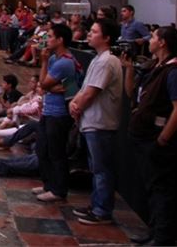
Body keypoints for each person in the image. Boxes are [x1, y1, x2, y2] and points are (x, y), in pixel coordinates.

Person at [122, 26, 177, 245]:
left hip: (158, 141)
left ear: (162, 43)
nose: (149, 40)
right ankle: (153, 230)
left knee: (162, 190)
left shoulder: (175, 71)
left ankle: (162, 237)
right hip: (144, 137)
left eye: (153, 37)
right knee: (151, 187)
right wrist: (129, 68)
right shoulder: (154, 67)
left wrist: (163, 138)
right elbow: (133, 93)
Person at [67, 17, 123, 225]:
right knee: (96, 168)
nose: (89, 34)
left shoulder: (108, 61)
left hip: (100, 122)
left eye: (94, 31)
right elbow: (84, 88)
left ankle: (102, 210)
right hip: (92, 121)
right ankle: (96, 203)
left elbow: (91, 92)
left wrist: (77, 105)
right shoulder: (98, 59)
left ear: (107, 38)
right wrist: (75, 102)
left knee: (102, 169)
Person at [34, 22, 80, 202]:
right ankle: (48, 184)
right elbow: (42, 83)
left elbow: (44, 83)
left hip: (59, 113)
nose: (47, 39)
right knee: (42, 149)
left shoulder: (65, 62)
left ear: (60, 40)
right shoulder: (54, 58)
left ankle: (59, 190)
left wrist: (44, 63)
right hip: (49, 109)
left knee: (56, 151)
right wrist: (49, 86)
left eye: (50, 36)